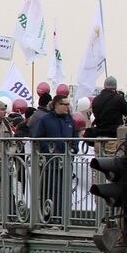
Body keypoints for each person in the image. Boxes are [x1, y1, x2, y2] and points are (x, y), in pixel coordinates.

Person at [30, 93, 78, 222]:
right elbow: (37, 138)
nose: (68, 107)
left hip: (66, 162)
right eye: (65, 104)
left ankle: (63, 218)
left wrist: (74, 148)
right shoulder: (45, 120)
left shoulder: (70, 120)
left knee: (65, 191)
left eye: (69, 104)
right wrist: (51, 150)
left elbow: (75, 137)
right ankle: (51, 218)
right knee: (52, 190)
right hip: (50, 163)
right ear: (57, 105)